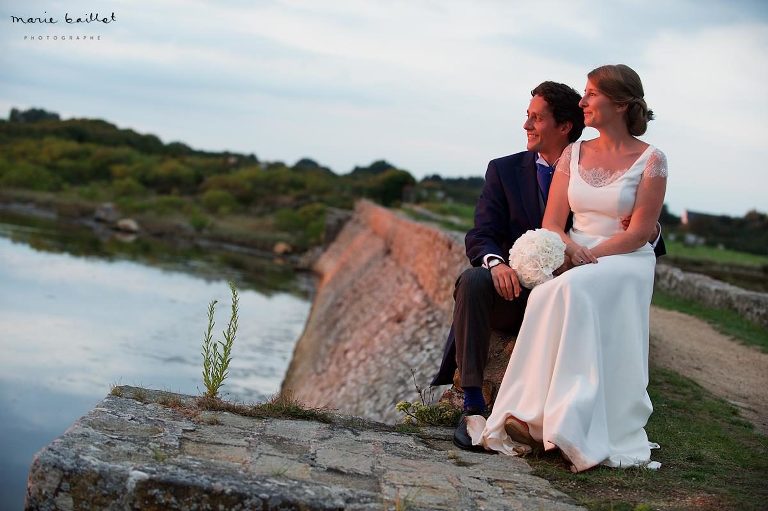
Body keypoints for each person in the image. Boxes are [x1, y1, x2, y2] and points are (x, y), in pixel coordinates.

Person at [431, 81, 664, 452]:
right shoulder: (503, 170)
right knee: (474, 280)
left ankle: (551, 419)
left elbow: (636, 231)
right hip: (517, 290)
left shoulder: (594, 165)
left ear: (564, 126)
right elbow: (481, 234)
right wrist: (496, 264)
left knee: (567, 294)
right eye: (527, 117)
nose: (526, 125)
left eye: (536, 118)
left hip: (573, 291)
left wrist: (650, 228)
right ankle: (472, 404)